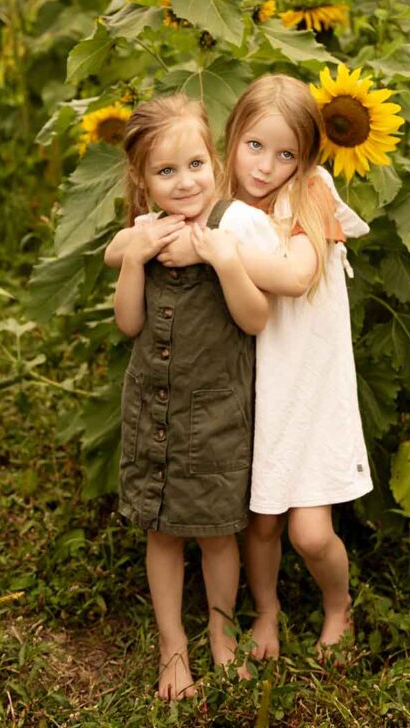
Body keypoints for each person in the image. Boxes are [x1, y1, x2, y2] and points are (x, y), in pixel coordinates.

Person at [158, 74, 372, 659]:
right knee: (260, 524)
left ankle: (338, 604)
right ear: (232, 138)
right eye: (254, 146)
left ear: (305, 158)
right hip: (249, 388)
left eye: (285, 154)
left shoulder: (312, 192)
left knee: (310, 531)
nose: (265, 167)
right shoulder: (219, 198)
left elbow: (298, 277)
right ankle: (268, 612)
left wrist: (215, 248)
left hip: (309, 387)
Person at [104, 93, 279, 700]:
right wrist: (137, 258)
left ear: (216, 161)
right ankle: (172, 644)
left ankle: (222, 634)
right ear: (143, 179)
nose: (185, 182)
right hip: (153, 408)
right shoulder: (143, 234)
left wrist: (225, 263)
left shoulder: (232, 226)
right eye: (165, 171)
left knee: (216, 532)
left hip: (215, 417)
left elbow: (256, 320)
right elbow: (129, 323)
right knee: (162, 533)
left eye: (196, 165)